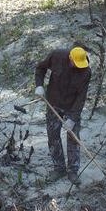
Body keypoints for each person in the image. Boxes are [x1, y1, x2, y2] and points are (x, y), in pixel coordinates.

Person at [34, 44, 91, 183]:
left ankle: (73, 171)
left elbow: (81, 98)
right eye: (74, 63)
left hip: (72, 106)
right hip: (53, 102)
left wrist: (72, 118)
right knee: (53, 136)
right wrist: (39, 85)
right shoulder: (57, 56)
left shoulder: (86, 72)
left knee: (73, 138)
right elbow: (40, 68)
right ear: (70, 57)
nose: (77, 66)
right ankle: (59, 168)